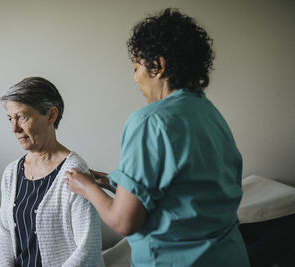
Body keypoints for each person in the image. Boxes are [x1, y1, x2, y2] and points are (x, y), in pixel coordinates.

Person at [65, 8, 250, 267]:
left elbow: (124, 222)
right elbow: (187, 190)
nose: (135, 77)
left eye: (136, 67)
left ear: (159, 66)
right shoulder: (210, 114)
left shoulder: (149, 121)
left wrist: (88, 189)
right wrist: (115, 184)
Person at [0, 77, 105, 267]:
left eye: (22, 117)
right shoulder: (11, 173)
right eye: (10, 119)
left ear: (50, 115)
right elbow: (5, 232)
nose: (15, 128)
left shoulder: (75, 171)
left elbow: (89, 248)